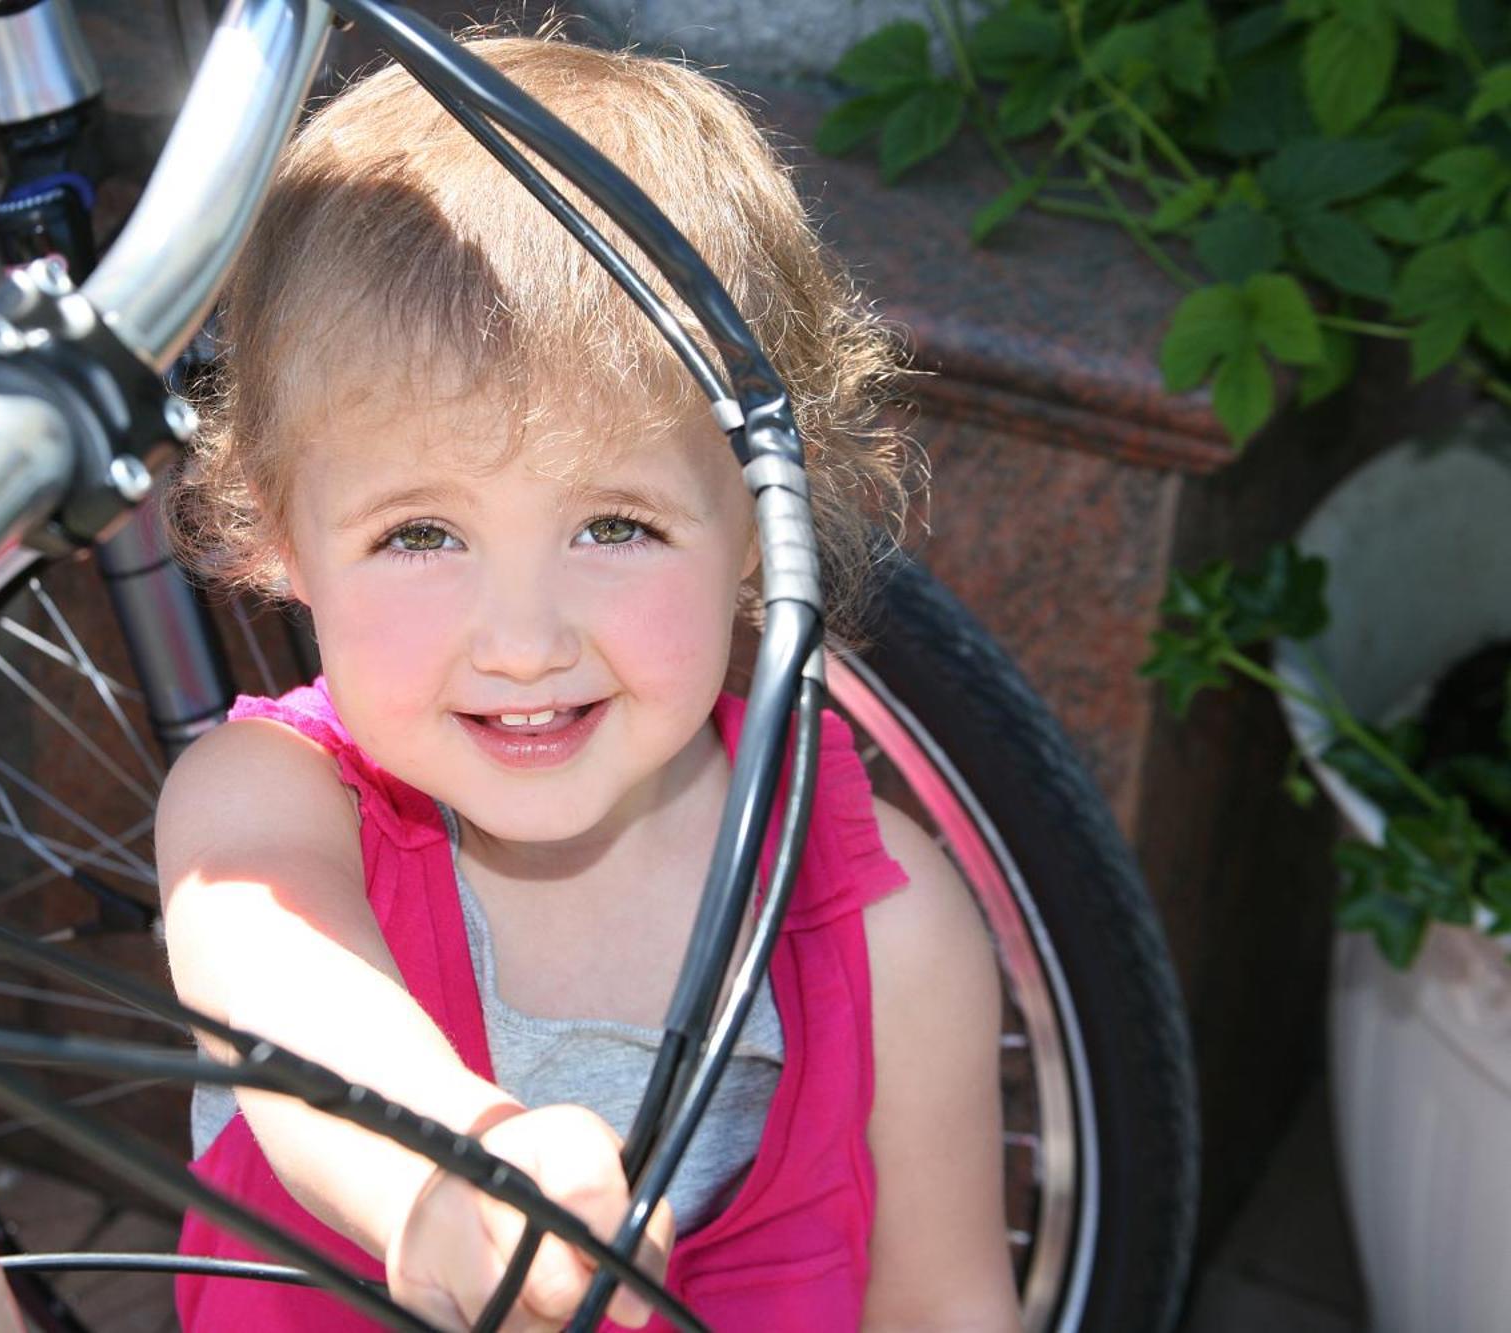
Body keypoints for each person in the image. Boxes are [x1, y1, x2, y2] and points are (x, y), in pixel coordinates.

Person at [155, 32, 1018, 1333]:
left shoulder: (889, 928)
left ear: (759, 531)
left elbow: (948, 1303)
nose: (521, 640)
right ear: (275, 535)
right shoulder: (259, 814)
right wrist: (441, 1169)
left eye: (614, 524)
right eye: (420, 534)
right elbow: (293, 1010)